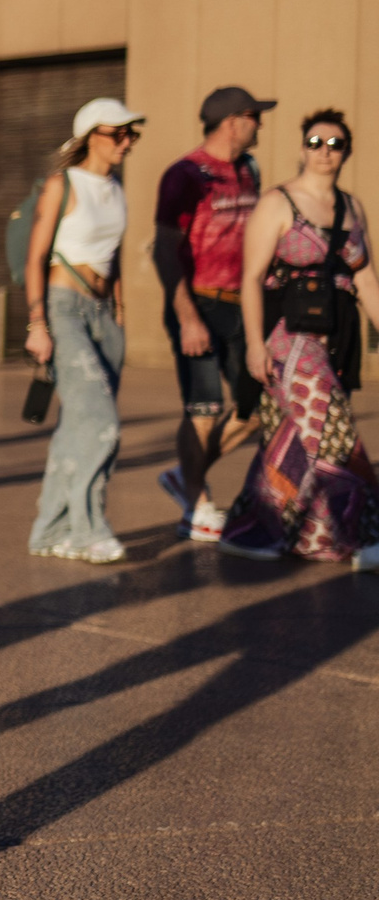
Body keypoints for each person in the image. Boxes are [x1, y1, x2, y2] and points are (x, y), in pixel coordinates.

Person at [219, 110, 379, 570]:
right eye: (315, 141)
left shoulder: (353, 208)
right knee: (334, 434)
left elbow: (365, 279)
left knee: (289, 440)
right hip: (288, 340)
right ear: (302, 146)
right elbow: (250, 278)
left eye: (335, 143)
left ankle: (253, 533)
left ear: (347, 150)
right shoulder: (278, 202)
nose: (324, 151)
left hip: (336, 338)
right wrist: (253, 343)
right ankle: (365, 534)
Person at [21, 99, 143, 564]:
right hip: (63, 310)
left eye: (132, 134)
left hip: (102, 315)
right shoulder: (62, 184)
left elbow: (113, 254)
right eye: (118, 134)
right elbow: (36, 257)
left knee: (76, 428)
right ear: (92, 134)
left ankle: (50, 531)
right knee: (101, 425)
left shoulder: (115, 188)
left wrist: (121, 310)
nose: (126, 142)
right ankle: (90, 529)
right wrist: (37, 324)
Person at [152, 86, 273, 543]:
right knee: (204, 409)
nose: (259, 124)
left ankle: (186, 477)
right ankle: (196, 506)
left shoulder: (249, 169)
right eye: (253, 116)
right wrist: (186, 317)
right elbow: (165, 250)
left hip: (242, 304)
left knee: (256, 407)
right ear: (230, 122)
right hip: (198, 302)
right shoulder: (184, 175)